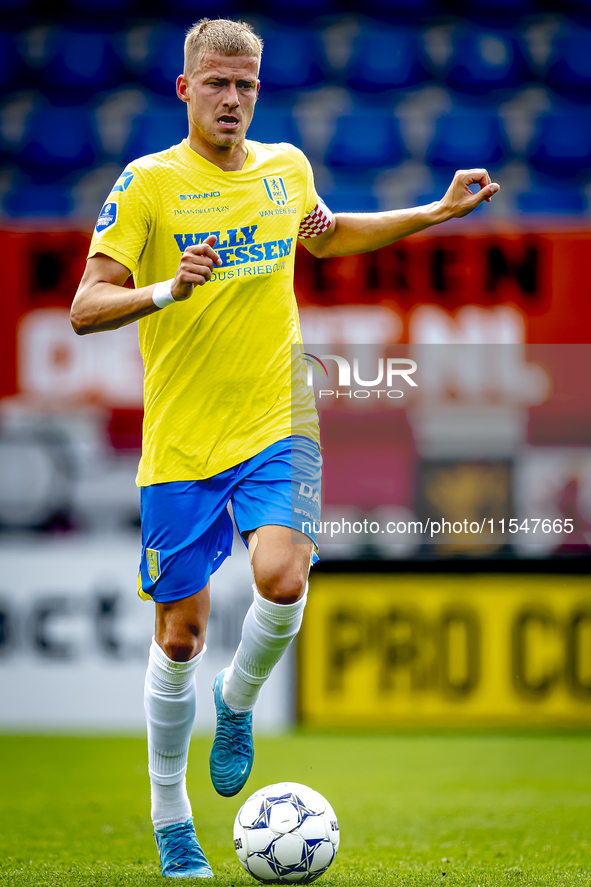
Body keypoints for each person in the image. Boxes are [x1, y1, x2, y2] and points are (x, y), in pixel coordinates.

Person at [71, 17, 499, 879]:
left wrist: (436, 211)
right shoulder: (147, 184)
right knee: (182, 636)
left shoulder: (286, 167)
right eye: (217, 84)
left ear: (258, 90)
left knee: (283, 575)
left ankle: (237, 703)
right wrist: (164, 288)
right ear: (185, 89)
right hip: (184, 441)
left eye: (247, 84)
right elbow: (85, 305)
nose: (233, 98)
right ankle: (170, 818)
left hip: (278, 417)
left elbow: (327, 234)